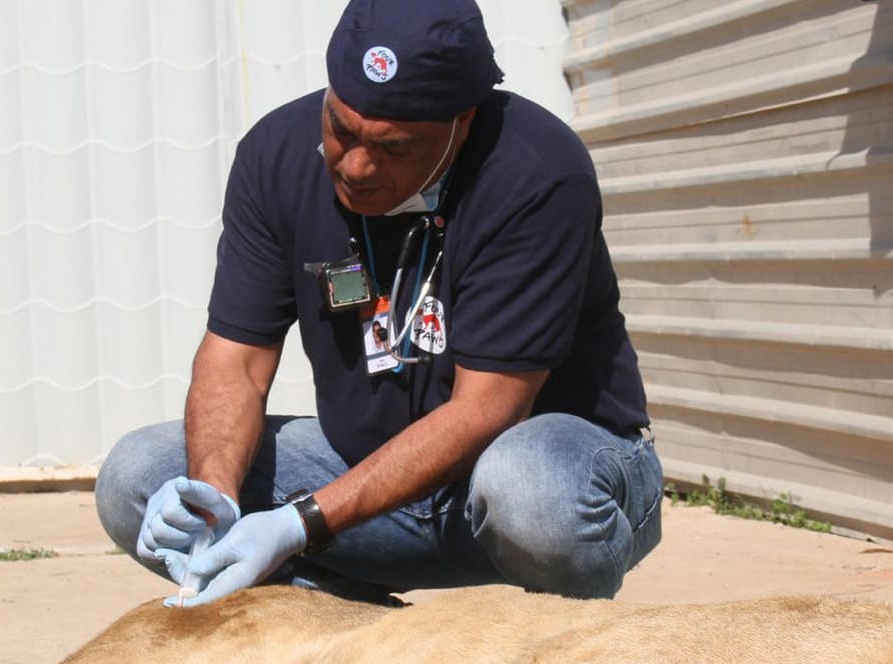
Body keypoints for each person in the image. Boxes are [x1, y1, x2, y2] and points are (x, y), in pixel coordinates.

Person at [95, 0, 661, 607]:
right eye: (341, 129)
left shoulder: (536, 173)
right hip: (368, 480)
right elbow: (235, 359)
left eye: (394, 147)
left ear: (461, 121)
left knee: (531, 490)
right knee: (139, 477)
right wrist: (216, 498)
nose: (357, 166)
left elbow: (487, 410)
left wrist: (299, 523)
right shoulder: (276, 157)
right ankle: (350, 639)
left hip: (546, 483)